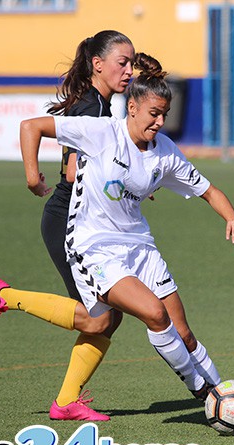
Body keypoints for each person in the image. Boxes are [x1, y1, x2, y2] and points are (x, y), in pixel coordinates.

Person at [0, 53, 234, 420]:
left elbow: (209, 190)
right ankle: (203, 392)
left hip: (140, 246)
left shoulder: (165, 152)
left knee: (180, 333)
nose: (160, 122)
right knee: (153, 315)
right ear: (132, 107)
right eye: (153, 114)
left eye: (164, 115)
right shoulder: (101, 131)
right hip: (94, 245)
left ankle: (220, 392)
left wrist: (232, 217)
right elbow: (31, 126)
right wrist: (34, 177)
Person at [39, 30, 134, 422]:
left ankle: (66, 402)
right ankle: (4, 296)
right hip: (69, 219)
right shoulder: (91, 110)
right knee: (99, 317)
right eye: (122, 63)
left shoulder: (98, 104)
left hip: (79, 218)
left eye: (132, 62)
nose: (129, 70)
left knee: (109, 314)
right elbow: (76, 170)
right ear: (98, 65)